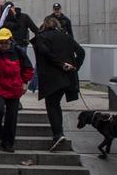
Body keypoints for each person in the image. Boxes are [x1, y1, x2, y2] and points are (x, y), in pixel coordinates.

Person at [33, 16, 85, 151]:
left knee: (52, 105)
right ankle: (58, 133)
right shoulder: (66, 37)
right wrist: (75, 67)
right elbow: (81, 52)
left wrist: (61, 64)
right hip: (67, 78)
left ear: (44, 25)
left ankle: (58, 134)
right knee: (56, 105)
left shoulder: (42, 37)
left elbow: (45, 52)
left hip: (51, 77)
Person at [0, 29, 35, 153]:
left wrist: (25, 82)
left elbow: (28, 68)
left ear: (10, 40)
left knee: (11, 117)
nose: (3, 45)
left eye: (5, 43)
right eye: (0, 43)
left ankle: (8, 143)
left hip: (14, 87)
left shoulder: (19, 52)